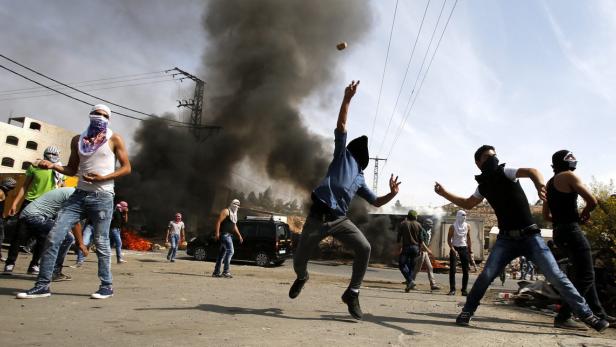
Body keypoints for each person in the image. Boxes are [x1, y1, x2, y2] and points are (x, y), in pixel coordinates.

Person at [434, 145, 608, 332]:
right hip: (505, 240)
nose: (493, 159)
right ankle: (467, 312)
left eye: (494, 155)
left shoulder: (506, 172)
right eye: (487, 156)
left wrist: (540, 185)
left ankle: (588, 315)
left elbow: (532, 171)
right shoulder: (483, 186)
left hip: (530, 237)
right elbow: (468, 203)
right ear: (478, 163)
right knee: (485, 276)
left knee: (556, 276)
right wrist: (444, 193)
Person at [289, 81, 401, 320]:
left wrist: (393, 193)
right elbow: (340, 127)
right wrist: (347, 100)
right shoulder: (342, 155)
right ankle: (302, 277)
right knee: (298, 263)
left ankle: (352, 292)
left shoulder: (360, 178)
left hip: (339, 220)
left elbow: (377, 202)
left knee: (365, 247)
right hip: (316, 219)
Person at [18, 104, 131, 300]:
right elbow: (71, 169)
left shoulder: (114, 138)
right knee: (54, 236)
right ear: (90, 115)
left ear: (109, 119)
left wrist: (103, 178)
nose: (99, 117)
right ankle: (42, 285)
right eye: (96, 113)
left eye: (103, 115)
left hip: (102, 196)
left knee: (101, 242)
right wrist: (53, 165)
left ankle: (106, 286)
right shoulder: (78, 140)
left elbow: (127, 168)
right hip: (78, 195)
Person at [543, 150, 616, 329]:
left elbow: (546, 215)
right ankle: (564, 315)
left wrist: (562, 220)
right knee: (586, 275)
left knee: (585, 274)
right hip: (571, 231)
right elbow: (592, 201)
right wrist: (584, 213)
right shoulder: (569, 176)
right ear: (569, 162)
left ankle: (599, 314)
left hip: (559, 232)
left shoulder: (550, 183)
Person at [16, 187, 89, 298]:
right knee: (67, 238)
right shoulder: (74, 195)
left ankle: (44, 270)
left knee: (52, 241)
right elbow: (75, 222)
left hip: (32, 216)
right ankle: (54, 272)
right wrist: (81, 244)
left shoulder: (70, 191)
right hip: (34, 217)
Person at [4, 146, 61, 274]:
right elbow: (24, 186)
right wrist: (15, 203)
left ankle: (34, 264)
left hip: (48, 206)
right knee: (19, 234)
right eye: (50, 154)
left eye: (55, 154)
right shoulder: (34, 167)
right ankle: (10, 262)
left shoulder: (58, 170)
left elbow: (60, 188)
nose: (52, 156)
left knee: (43, 237)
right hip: (30, 203)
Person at [398, 210, 433, 292]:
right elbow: (421, 239)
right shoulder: (419, 225)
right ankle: (409, 286)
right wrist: (421, 249)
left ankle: (410, 281)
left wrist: (399, 247)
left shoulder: (403, 224)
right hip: (415, 248)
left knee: (402, 264)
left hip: (406, 247)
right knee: (411, 267)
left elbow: (399, 237)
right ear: (415, 216)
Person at [213, 200, 243, 277]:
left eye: (238, 205)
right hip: (225, 235)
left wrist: (239, 235)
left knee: (221, 255)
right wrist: (217, 233)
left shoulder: (234, 214)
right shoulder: (226, 211)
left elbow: (234, 225)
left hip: (229, 235)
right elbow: (218, 222)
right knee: (231, 251)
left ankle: (216, 272)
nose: (237, 206)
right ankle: (226, 271)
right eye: (235, 204)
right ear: (232, 204)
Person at [447, 210, 472, 296]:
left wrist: (470, 250)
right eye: (462, 215)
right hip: (454, 248)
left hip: (464, 248)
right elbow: (449, 239)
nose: (464, 217)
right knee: (452, 270)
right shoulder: (452, 227)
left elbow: (468, 238)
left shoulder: (468, 226)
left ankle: (464, 290)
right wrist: (452, 249)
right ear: (458, 216)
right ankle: (452, 289)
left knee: (465, 270)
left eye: (465, 215)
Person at [411, 218, 440, 290]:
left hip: (425, 252)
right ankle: (411, 283)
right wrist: (428, 250)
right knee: (417, 269)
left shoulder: (427, 231)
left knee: (430, 267)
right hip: (421, 252)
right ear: (426, 224)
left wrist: (427, 250)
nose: (431, 226)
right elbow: (421, 242)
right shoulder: (422, 230)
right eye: (430, 224)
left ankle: (433, 284)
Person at [0, 177, 18, 262]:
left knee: (1, 237)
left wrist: (3, 216)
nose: (13, 187)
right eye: (12, 185)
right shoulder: (0, 192)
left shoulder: (3, 192)